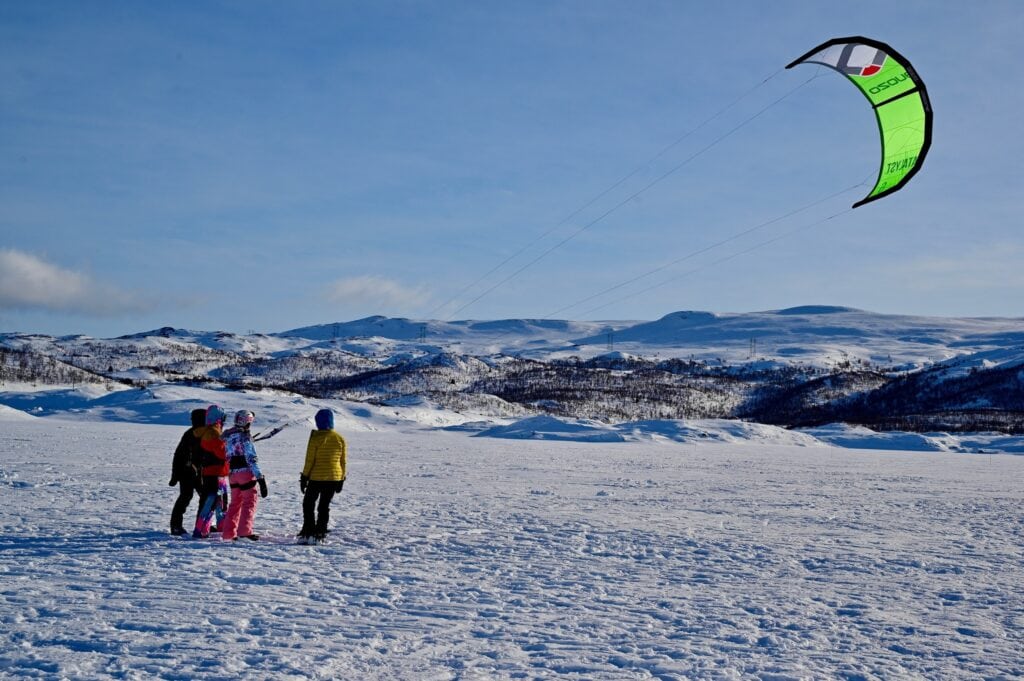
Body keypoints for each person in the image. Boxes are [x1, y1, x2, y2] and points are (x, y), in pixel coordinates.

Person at [298, 408, 347, 544]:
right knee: (324, 505)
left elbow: (310, 460)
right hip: (334, 477)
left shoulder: (316, 437)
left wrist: (304, 477)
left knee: (308, 504)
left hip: (316, 477)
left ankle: (308, 529)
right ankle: (321, 531)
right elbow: (343, 461)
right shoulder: (340, 438)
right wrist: (341, 478)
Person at [220, 410, 268, 541]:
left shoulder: (228, 436)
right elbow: (251, 458)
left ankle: (228, 533)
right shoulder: (245, 437)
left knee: (235, 503)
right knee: (249, 502)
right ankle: (244, 532)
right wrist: (260, 478)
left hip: (232, 474)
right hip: (245, 473)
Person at [169, 408, 207, 536]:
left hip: (197, 472)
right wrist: (175, 476)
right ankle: (177, 526)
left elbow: (178, 455)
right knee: (189, 497)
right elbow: (179, 455)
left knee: (203, 498)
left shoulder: (201, 433)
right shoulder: (193, 433)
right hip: (189, 472)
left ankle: (200, 525)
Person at [193, 405, 229, 539]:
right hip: (215, 473)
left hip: (216, 473)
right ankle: (201, 530)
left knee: (221, 502)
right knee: (212, 501)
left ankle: (222, 526)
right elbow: (223, 453)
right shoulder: (214, 433)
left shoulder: (211, 431)